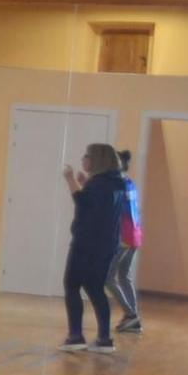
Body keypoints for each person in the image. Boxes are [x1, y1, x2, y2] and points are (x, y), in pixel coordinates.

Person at [62, 143, 129, 355]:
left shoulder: (99, 184)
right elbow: (98, 205)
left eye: (87, 156)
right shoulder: (116, 182)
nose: (83, 159)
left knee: (72, 284)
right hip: (107, 243)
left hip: (87, 242)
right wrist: (85, 182)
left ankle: (75, 337)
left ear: (96, 160)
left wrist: (71, 180)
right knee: (95, 287)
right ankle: (104, 339)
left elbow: (83, 203)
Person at [107, 148, 145, 333]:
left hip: (123, 236)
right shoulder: (129, 182)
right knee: (123, 275)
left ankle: (131, 315)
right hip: (134, 235)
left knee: (107, 278)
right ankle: (133, 320)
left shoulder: (116, 184)